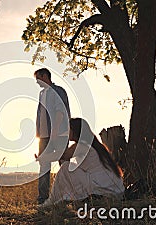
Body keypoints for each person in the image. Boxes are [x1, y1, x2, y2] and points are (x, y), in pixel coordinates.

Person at [40, 118, 125, 206]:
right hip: (114, 189)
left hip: (101, 187)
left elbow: (63, 155)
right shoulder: (94, 145)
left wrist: (42, 158)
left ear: (75, 131)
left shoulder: (83, 146)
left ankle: (50, 202)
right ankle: (61, 199)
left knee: (65, 167)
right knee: (70, 167)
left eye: (69, 129)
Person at [34, 68, 71, 204]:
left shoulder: (58, 90)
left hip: (58, 134)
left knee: (63, 164)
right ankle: (43, 198)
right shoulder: (42, 93)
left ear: (44, 76)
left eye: (38, 78)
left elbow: (60, 111)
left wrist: (55, 131)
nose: (37, 82)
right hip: (43, 136)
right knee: (44, 164)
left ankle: (67, 195)